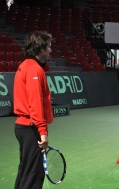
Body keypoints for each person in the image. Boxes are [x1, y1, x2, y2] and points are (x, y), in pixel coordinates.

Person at [13, 31, 53, 189]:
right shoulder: (34, 70)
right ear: (40, 48)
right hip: (31, 128)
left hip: (23, 126)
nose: (50, 50)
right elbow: (35, 104)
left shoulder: (24, 66)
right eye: (48, 46)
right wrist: (43, 132)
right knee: (34, 174)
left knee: (25, 171)